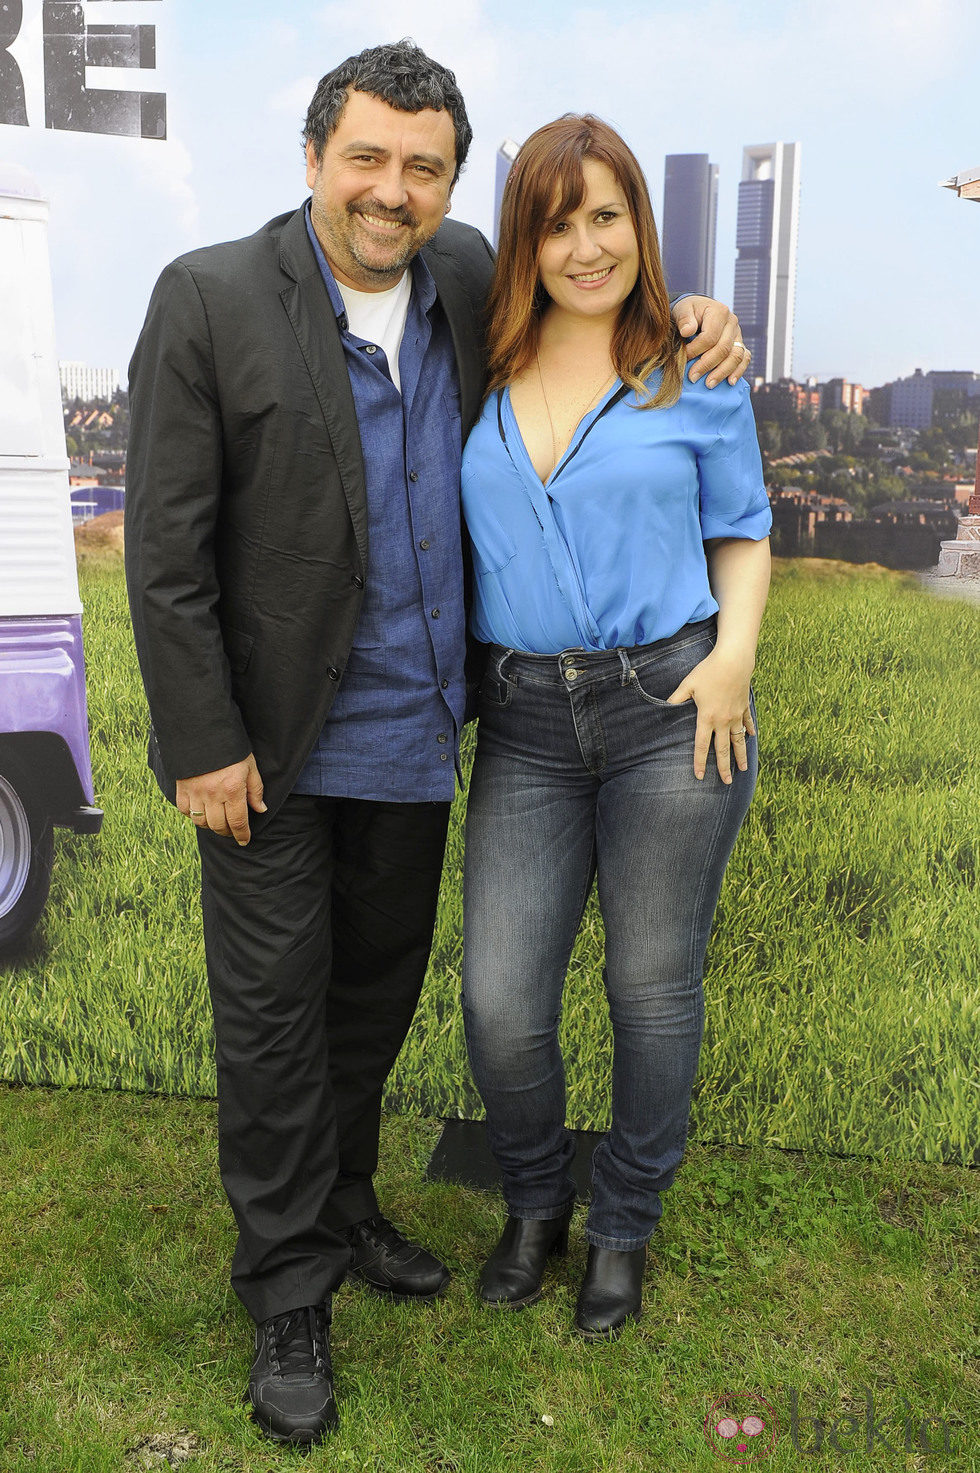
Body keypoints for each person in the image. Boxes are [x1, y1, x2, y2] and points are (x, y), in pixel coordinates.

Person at [125, 41, 750, 1445]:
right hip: (269, 760)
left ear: (450, 184)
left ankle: (340, 1208)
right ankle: (290, 1294)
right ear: (312, 159)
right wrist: (204, 740)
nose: (390, 191)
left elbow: (608, 304)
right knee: (278, 1021)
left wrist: (700, 315)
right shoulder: (212, 298)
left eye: (422, 166)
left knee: (372, 1007)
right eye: (366, 158)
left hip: (421, 736)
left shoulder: (472, 280)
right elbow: (163, 554)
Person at [460, 114, 771, 1341]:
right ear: (524, 241)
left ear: (639, 224)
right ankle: (533, 1201)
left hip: (672, 708)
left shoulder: (692, 367)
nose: (585, 246)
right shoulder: (475, 362)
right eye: (555, 221)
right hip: (526, 718)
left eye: (607, 216)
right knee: (499, 1000)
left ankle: (622, 1225)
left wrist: (733, 662)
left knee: (650, 989)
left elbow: (740, 529)